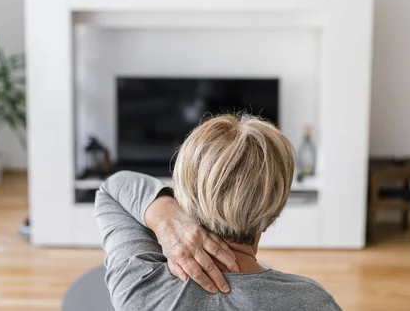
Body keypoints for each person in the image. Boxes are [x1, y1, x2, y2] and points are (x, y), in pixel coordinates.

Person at [95, 114, 341, 311]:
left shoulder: (140, 289)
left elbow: (112, 188)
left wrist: (164, 217)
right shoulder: (313, 301)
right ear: (277, 206)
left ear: (183, 194)